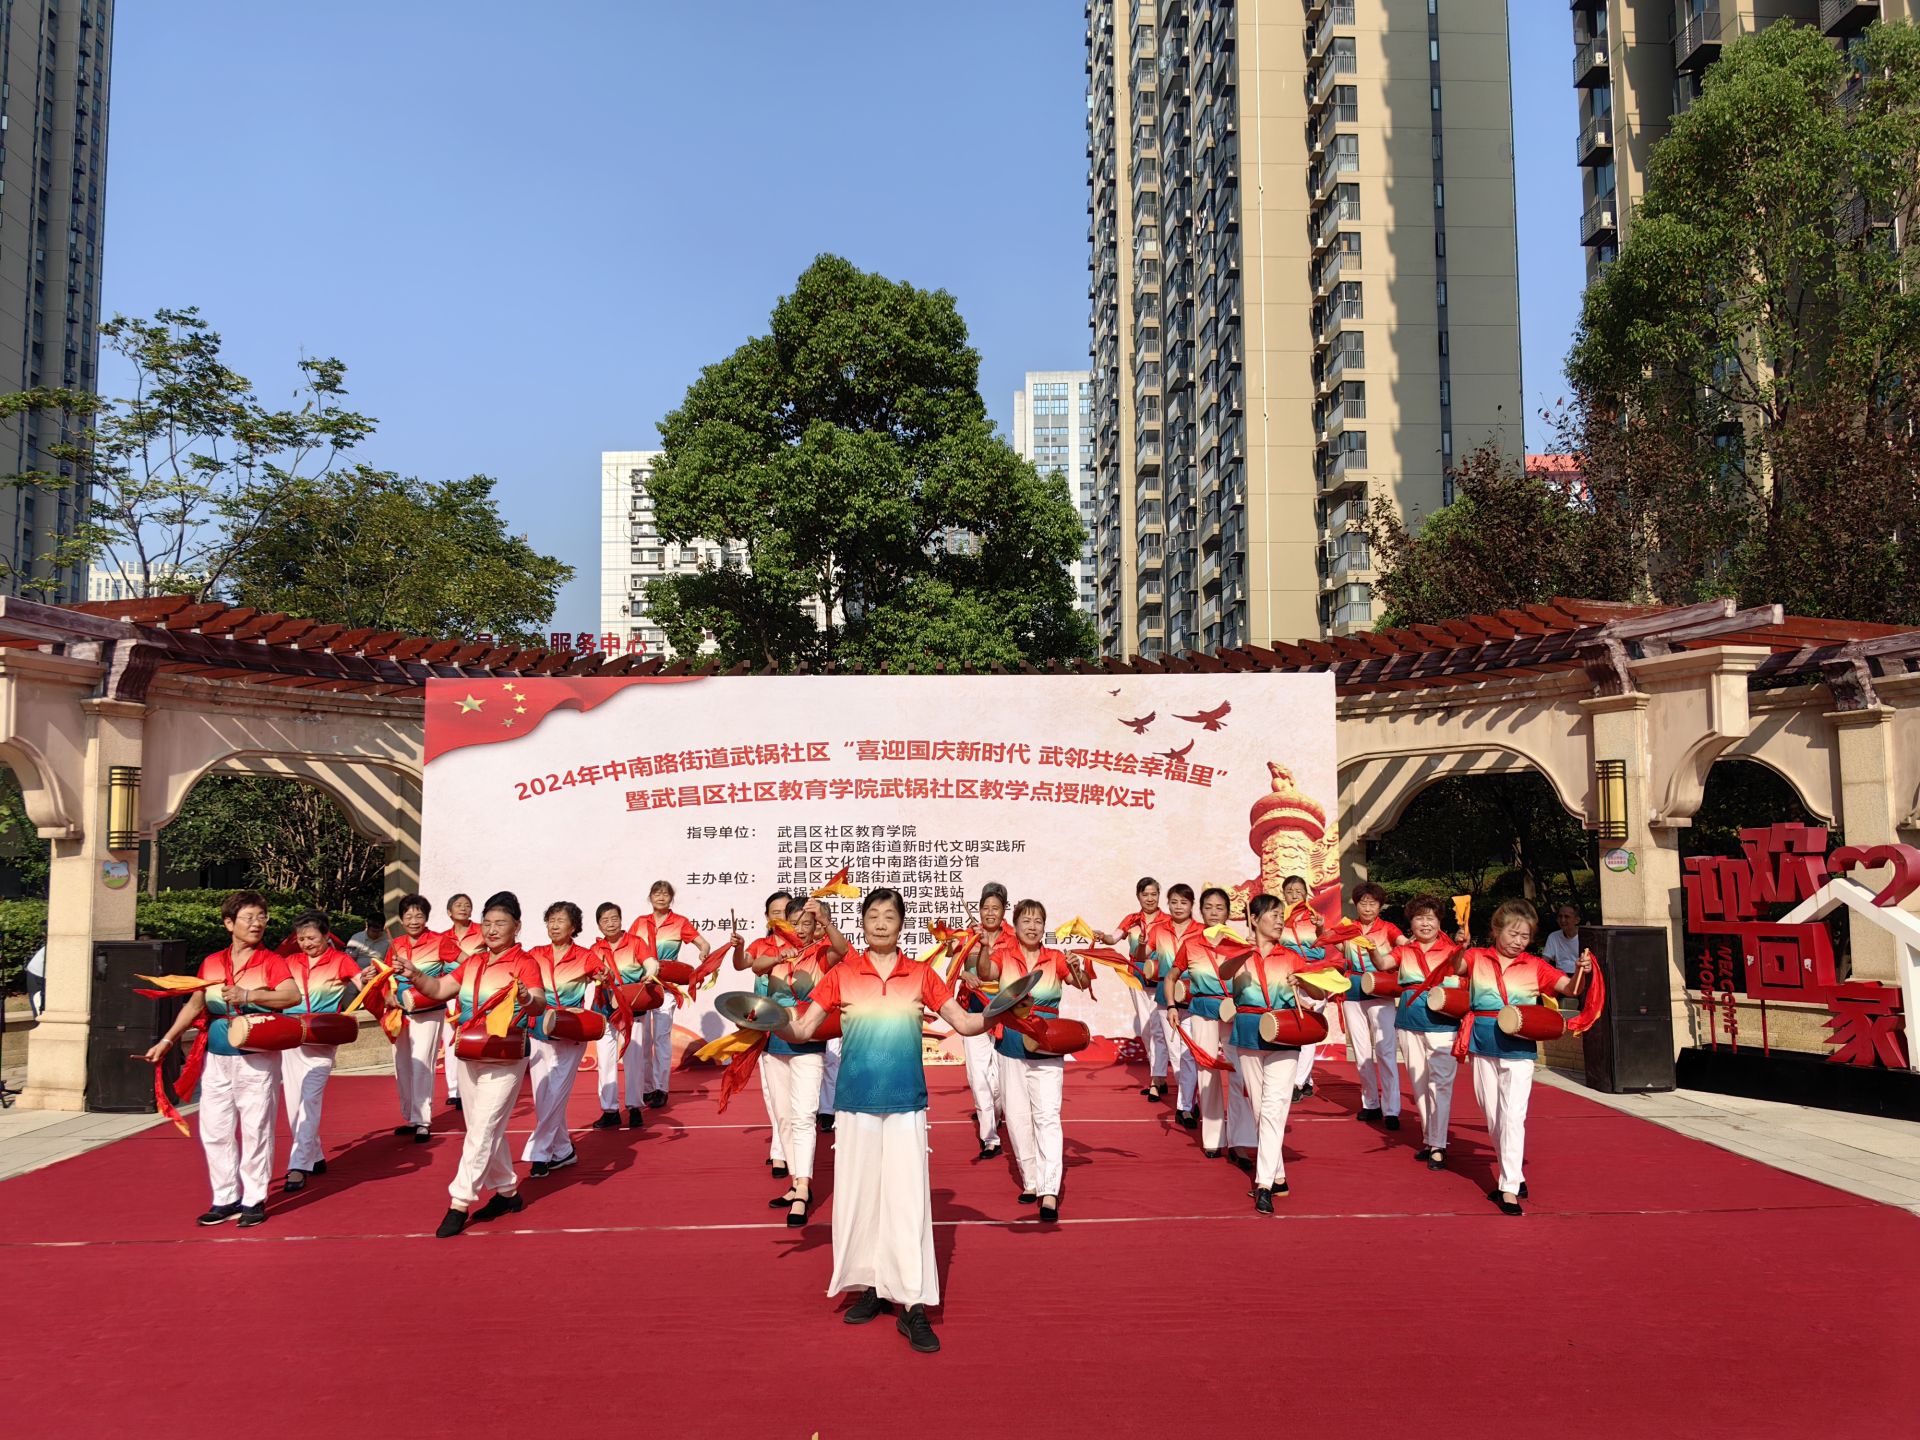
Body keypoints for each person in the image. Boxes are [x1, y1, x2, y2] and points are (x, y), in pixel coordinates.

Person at [779, 887, 991, 1355]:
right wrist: (763, 1020)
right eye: (872, 915)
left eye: (889, 916)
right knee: (860, 1197)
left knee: (907, 1200)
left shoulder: (921, 975)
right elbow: (803, 1028)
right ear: (862, 923)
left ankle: (913, 1302)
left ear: (900, 924)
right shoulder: (841, 974)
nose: (880, 923)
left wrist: (1003, 1011)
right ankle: (871, 1284)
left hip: (905, 1103)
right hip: (854, 1103)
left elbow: (965, 1023)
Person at [391, 890, 546, 1238]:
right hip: (469, 1051)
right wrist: (414, 974)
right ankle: (508, 1193)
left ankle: (459, 1202)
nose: (492, 930)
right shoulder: (474, 962)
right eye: (487, 923)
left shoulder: (525, 963)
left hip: (505, 1055)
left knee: (482, 1129)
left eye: (500, 923)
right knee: (483, 1126)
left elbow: (538, 1002)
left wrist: (525, 997)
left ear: (517, 927)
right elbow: (438, 988)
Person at [141, 891, 300, 1229]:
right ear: (229, 923)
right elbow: (195, 1005)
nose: (257, 924)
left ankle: (253, 1198)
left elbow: (291, 996)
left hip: (256, 1056)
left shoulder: (271, 961)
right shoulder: (212, 962)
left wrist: (249, 995)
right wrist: (168, 1040)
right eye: (249, 918)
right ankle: (225, 1198)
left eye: (262, 917)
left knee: (256, 1128)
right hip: (217, 1057)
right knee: (214, 1128)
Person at [1448, 898, 1593, 1216]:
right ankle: (1513, 1171)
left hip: (1519, 1046)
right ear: (1496, 930)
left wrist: (1582, 971)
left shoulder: (1535, 965)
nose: (1518, 941)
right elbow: (1453, 967)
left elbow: (1569, 989)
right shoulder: (1476, 957)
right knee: (1493, 1116)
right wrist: (1460, 946)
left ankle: (1509, 1187)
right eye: (1513, 934)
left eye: (1524, 936)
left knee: (1513, 1116)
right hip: (1482, 1042)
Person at [1217, 893, 1322, 1212]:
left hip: (1284, 1032)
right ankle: (1278, 1176)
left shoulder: (1291, 956)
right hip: (1249, 1033)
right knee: (1260, 1108)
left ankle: (1263, 1183)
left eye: (1281, 916)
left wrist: (1302, 981)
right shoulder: (1238, 951)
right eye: (1273, 915)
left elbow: (1318, 992)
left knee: (1274, 1107)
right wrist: (1244, 952)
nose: (1279, 921)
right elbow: (1225, 974)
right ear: (1254, 919)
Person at [994, 899, 1093, 1222]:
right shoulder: (1003, 954)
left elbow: (1081, 983)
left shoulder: (1056, 958)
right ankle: (1031, 1181)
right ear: (1015, 925)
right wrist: (980, 948)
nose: (1032, 926)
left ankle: (1049, 1189)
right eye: (1026, 920)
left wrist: (1078, 968)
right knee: (1017, 1116)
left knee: (1047, 1115)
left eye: (1038, 921)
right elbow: (985, 972)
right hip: (1011, 1042)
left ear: (1044, 926)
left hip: (1047, 1043)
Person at [744, 895, 838, 1227]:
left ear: (815, 926)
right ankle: (797, 1181)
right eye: (794, 923)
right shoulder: (774, 951)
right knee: (783, 1116)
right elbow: (754, 967)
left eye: (806, 923)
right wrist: (777, 957)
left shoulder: (822, 953)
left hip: (809, 1042)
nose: (800, 928)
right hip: (774, 1043)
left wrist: (826, 922)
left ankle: (803, 1188)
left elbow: (843, 952)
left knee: (803, 1115)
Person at [278, 909, 363, 1192]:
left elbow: (364, 986)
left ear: (326, 936)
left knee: (310, 1101)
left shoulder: (341, 960)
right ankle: (315, 1156)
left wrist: (372, 980)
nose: (307, 943)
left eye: (312, 938)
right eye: (302, 939)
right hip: (292, 1038)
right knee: (294, 1105)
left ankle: (298, 1165)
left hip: (322, 1040)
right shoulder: (289, 962)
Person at [521, 901, 598, 1178]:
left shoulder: (586, 957)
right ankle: (564, 1151)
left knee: (556, 1093)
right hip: (539, 1031)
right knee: (544, 1095)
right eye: (550, 920)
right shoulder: (534, 955)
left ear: (573, 926)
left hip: (570, 1032)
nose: (554, 926)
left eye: (560, 920)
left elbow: (606, 980)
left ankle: (539, 1153)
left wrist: (605, 978)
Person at [1391, 895, 1463, 1171]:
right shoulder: (1404, 950)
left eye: (1430, 918)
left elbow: (1464, 973)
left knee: (1440, 1085)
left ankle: (1439, 1145)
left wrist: (1462, 947)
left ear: (1439, 921)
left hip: (1443, 1024)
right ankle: (1430, 1138)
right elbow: (1383, 963)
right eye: (1419, 918)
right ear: (1410, 923)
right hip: (1409, 1022)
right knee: (1419, 1084)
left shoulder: (1452, 950)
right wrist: (1370, 949)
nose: (1425, 923)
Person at [627, 879, 712, 1109]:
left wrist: (703, 953)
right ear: (650, 897)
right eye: (657, 893)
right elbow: (629, 950)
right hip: (643, 988)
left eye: (665, 894)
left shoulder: (679, 922)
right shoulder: (640, 923)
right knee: (643, 1040)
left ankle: (661, 1088)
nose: (661, 897)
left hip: (667, 988)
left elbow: (703, 944)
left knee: (661, 1039)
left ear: (671, 898)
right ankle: (646, 1088)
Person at [387, 894, 462, 1142]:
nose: (413, 920)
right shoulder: (395, 944)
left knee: (422, 1063)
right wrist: (388, 994)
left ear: (426, 917)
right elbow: (386, 976)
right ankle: (410, 1117)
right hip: (400, 1012)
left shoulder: (440, 941)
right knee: (402, 1065)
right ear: (401, 919)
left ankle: (422, 1121)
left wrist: (445, 984)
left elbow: (468, 963)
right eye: (408, 916)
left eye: (418, 915)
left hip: (428, 1010)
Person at [741, 890, 802, 1178]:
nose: (780, 917)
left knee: (797, 1093)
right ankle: (780, 1150)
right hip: (764, 1021)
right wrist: (737, 948)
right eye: (775, 912)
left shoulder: (802, 943)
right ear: (767, 916)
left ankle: (788, 1150)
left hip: (796, 1022)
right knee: (772, 1092)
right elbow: (743, 963)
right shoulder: (761, 945)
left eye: (785, 912)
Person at [953, 882, 1013, 1160]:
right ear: (979, 910)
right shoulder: (968, 936)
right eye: (985, 908)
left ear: (1004, 911)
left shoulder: (1013, 938)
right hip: (974, 1012)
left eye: (995, 908)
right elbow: (952, 968)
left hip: (1004, 1014)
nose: (990, 913)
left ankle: (995, 1113)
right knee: (978, 1075)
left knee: (999, 1078)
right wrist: (965, 975)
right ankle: (989, 1137)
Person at [1175, 887, 1235, 1153]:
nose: (1213, 912)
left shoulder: (1239, 943)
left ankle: (1240, 1140)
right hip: (1201, 1011)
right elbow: (1171, 976)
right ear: (1200, 911)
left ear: (1228, 913)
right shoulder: (1191, 944)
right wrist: (1171, 1005)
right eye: (1208, 907)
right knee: (1207, 1072)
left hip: (1234, 1013)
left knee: (1240, 1074)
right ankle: (1213, 1139)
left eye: (1219, 908)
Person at [1097, 876, 1169, 1098]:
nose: (1150, 898)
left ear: (1159, 895)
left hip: (1161, 980)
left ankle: (1157, 1079)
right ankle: (1159, 1077)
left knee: (1158, 1029)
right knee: (1147, 1030)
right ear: (1138, 896)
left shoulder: (1167, 921)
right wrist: (1102, 937)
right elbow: (1113, 938)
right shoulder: (1132, 920)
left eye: (1154, 894)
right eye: (1145, 894)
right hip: (1136, 979)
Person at [1341, 882, 1404, 1129]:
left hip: (1380, 989)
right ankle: (1370, 1103)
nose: (1367, 908)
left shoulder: (1388, 928)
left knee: (1385, 1050)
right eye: (1363, 903)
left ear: (1380, 906)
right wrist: (1321, 929)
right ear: (1356, 904)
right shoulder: (1348, 927)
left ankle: (1392, 1109)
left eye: (1373, 903)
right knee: (1361, 1052)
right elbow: (1334, 945)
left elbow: (1406, 945)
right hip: (1353, 990)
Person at [590, 901, 647, 1130]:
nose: (610, 923)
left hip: (632, 1007)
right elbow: (588, 974)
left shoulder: (636, 942)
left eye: (614, 918)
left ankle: (634, 1108)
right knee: (605, 1060)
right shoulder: (595, 950)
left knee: (634, 1058)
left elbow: (650, 963)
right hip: (604, 1009)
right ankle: (610, 1110)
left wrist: (650, 973)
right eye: (605, 920)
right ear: (599, 925)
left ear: (621, 920)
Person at [1147, 884, 1202, 1114]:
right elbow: (1144, 956)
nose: (1179, 907)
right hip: (1166, 994)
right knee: (1174, 1051)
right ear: (1168, 904)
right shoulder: (1158, 930)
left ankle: (1187, 1103)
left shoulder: (1201, 930)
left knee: (1188, 1051)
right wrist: (1140, 944)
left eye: (1184, 902)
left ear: (1192, 905)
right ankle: (1187, 1100)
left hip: (1194, 995)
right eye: (1174, 902)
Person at [441, 893, 484, 1110]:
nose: (463, 908)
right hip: (450, 992)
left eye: (467, 905)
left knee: (474, 1036)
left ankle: (475, 1086)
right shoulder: (441, 938)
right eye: (458, 905)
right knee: (452, 1039)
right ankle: (454, 1090)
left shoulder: (482, 932)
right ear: (449, 912)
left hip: (476, 992)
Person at [1542, 904, 1583, 980]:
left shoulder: (1585, 937)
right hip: (1560, 977)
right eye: (1560, 916)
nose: (1562, 920)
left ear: (1577, 920)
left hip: (1581, 976)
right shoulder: (1553, 936)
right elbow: (1544, 961)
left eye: (1566, 917)